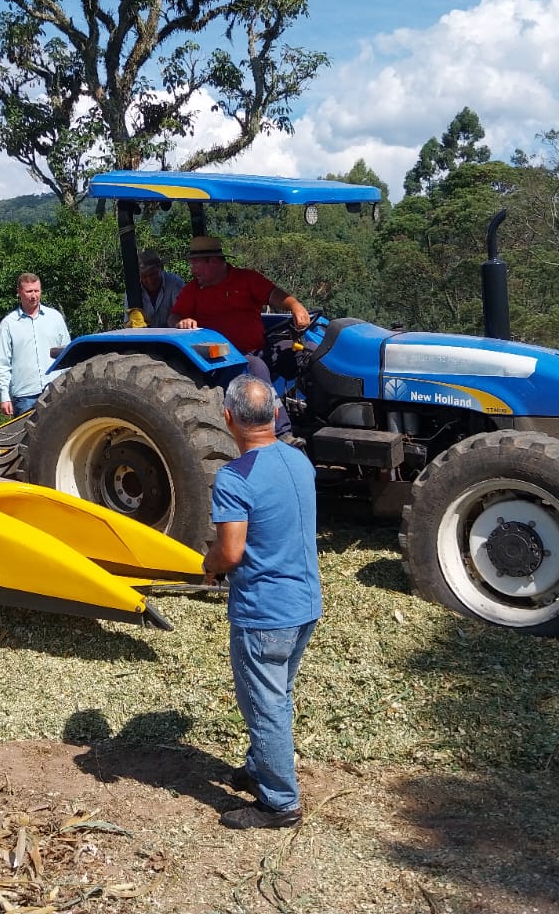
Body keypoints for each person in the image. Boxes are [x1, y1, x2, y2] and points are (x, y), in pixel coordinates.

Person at [202, 373, 322, 831]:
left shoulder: (234, 478)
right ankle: (259, 768)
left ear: (228, 418)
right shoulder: (300, 462)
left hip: (264, 611)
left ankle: (279, 802)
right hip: (305, 602)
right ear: (274, 412)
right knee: (277, 692)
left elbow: (230, 552)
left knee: (264, 702)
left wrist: (208, 565)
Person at [171, 235, 306, 434]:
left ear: (214, 262)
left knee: (308, 354)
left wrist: (295, 305)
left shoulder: (246, 279)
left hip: (258, 348)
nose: (192, 269)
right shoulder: (193, 290)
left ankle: (325, 420)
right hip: (224, 360)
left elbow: (272, 294)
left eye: (196, 263)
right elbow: (174, 316)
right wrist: (180, 322)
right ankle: (281, 433)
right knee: (255, 366)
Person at [0, 272, 70, 417]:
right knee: (28, 438)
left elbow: (67, 353)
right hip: (25, 397)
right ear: (19, 293)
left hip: (56, 390)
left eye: (36, 291)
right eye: (29, 291)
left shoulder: (55, 318)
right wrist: (4, 395)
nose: (33, 296)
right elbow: (2, 363)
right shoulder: (9, 324)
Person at [137, 248, 185, 329]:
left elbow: (180, 315)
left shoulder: (175, 283)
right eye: (144, 276)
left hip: (171, 338)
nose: (150, 280)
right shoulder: (133, 290)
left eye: (153, 274)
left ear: (161, 268)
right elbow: (130, 324)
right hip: (143, 338)